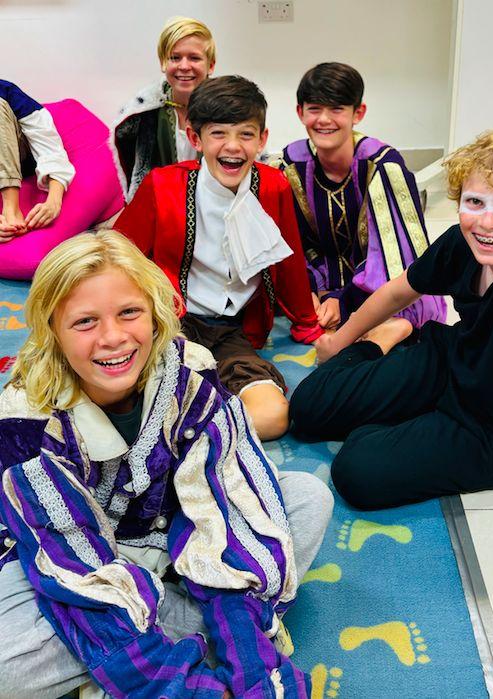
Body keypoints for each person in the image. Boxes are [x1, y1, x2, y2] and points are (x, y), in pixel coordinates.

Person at [0, 230, 333, 698]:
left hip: (186, 538)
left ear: (155, 313)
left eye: (129, 312)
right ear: (52, 330)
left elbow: (230, 497)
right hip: (75, 559)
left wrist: (248, 657)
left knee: (307, 497)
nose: (113, 338)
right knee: (7, 668)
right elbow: (66, 556)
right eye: (85, 322)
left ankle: (164, 632)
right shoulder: (25, 414)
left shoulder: (191, 369)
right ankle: (183, 630)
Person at [290, 125, 493, 560]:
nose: (488, 222)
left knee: (356, 472)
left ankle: (407, 417)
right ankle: (389, 344)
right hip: (454, 358)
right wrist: (340, 342)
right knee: (308, 406)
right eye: (475, 202)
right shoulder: (464, 242)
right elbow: (399, 291)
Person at [115, 75, 323, 441]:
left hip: (234, 331)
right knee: (131, 399)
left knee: (273, 417)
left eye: (246, 134)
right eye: (218, 134)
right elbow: (119, 255)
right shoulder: (163, 185)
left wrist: (306, 321)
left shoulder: (273, 186)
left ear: (262, 139)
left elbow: (287, 260)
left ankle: (186, 431)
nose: (233, 146)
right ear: (195, 138)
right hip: (171, 323)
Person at [275, 62, 446, 330]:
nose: (324, 119)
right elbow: (290, 242)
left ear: (358, 113)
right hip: (319, 281)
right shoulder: (289, 166)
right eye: (314, 109)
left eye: (337, 109)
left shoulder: (383, 166)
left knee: (408, 310)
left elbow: (396, 256)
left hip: (375, 286)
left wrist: (343, 300)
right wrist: (307, 289)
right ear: (300, 112)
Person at [111, 16, 215, 201]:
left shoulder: (228, 110)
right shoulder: (144, 115)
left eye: (194, 58)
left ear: (211, 65)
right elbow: (133, 169)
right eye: (175, 58)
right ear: (163, 63)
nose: (184, 66)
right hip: (161, 206)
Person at [0, 79, 75, 242]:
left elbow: (51, 150)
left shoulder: (7, 91)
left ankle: (11, 210)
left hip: (18, 155)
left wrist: (54, 201)